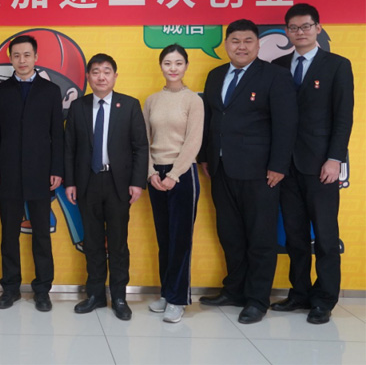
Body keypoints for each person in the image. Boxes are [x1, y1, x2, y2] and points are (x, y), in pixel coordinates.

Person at [198, 19, 297, 324]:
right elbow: (210, 119)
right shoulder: (215, 75)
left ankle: (257, 299)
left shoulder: (275, 76)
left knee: (260, 237)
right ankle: (234, 290)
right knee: (230, 235)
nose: (241, 47)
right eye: (235, 41)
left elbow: (286, 124)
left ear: (257, 44)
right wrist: (205, 157)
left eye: (247, 41)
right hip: (221, 169)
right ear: (226, 44)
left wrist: (278, 165)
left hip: (260, 172)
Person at [270, 3, 354, 324]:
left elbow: (343, 118)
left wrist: (334, 159)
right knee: (294, 235)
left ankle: (325, 298)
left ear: (318, 28)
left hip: (321, 166)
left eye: (306, 26)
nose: (300, 32)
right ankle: (300, 293)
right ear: (287, 32)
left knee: (326, 236)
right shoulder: (278, 66)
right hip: (286, 166)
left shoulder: (337, 65)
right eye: (293, 28)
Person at [64, 53, 148, 320]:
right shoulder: (78, 107)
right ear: (88, 77)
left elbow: (140, 147)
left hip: (118, 184)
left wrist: (137, 182)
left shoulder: (130, 105)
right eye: (96, 72)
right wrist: (70, 182)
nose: (101, 76)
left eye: (107, 71)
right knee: (92, 242)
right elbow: (69, 148)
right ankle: (95, 295)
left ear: (115, 76)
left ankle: (119, 297)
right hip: (87, 182)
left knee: (118, 243)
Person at [0, 34, 63, 312]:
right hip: (7, 172)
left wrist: (57, 169)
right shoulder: (0, 91)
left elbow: (57, 134)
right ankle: (10, 288)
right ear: (10, 58)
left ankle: (42, 290)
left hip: (41, 172)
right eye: (17, 55)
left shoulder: (50, 90)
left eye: (27, 55)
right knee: (9, 234)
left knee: (41, 234)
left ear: (36, 57)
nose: (22, 60)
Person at [143, 45, 204, 323]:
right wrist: (151, 173)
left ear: (186, 66)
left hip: (183, 174)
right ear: (161, 66)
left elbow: (193, 141)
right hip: (156, 175)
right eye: (168, 63)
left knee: (180, 240)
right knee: (164, 238)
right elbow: (144, 140)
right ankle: (167, 293)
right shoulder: (151, 100)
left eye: (179, 63)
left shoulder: (193, 100)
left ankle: (178, 299)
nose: (173, 68)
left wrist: (174, 174)